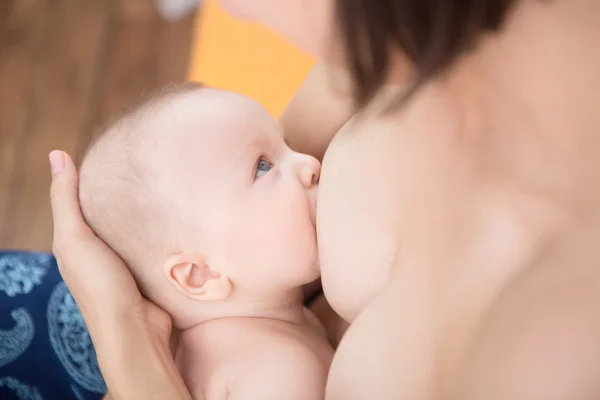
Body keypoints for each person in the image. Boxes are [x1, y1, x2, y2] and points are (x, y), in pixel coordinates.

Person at [49, 0, 600, 399]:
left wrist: (127, 348)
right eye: (269, 162)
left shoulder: (549, 347)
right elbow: (210, 181)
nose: (235, 13)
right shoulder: (407, 33)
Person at [78, 83, 333, 399]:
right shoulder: (282, 373)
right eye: (263, 167)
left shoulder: (210, 351)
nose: (310, 163)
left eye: (286, 144)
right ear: (201, 275)